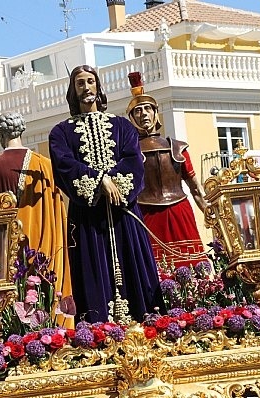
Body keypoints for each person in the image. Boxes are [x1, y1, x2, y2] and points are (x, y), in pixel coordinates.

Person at [48, 65, 164, 324]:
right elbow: (64, 165)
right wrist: (100, 181)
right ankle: (98, 332)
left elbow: (133, 159)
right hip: (87, 216)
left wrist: (116, 186)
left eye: (90, 81)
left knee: (136, 268)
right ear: (73, 90)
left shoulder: (122, 126)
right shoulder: (61, 133)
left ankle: (148, 325)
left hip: (124, 212)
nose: (86, 87)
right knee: (91, 271)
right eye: (80, 83)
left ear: (98, 87)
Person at [0, 112, 72, 326]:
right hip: (48, 247)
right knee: (48, 295)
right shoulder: (46, 166)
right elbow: (57, 212)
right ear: (22, 131)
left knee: (21, 303)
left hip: (13, 253)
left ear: (0, 134)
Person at [126, 71, 208, 268]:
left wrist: (211, 215)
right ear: (131, 117)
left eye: (147, 108)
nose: (143, 113)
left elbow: (196, 188)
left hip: (179, 211)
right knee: (153, 269)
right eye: (137, 110)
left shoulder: (177, 147)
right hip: (146, 214)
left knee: (193, 269)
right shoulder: (129, 153)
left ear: (155, 113)